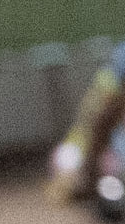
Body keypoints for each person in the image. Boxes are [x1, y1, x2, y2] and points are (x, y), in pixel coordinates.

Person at [47, 41, 125, 203]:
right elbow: (98, 124)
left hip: (106, 158)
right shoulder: (110, 83)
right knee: (67, 159)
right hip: (94, 152)